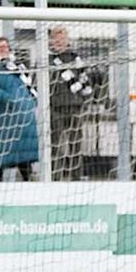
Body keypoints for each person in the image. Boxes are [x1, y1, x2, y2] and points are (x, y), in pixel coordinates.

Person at [0, 37, 38, 181]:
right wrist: (10, 100)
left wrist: (29, 101)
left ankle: (28, 180)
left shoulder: (16, 66)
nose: (3, 50)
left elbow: (28, 86)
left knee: (24, 151)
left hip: (21, 117)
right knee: (0, 150)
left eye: (5, 46)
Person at [48, 26, 95, 181]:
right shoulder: (47, 59)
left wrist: (83, 98)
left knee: (75, 143)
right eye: (56, 39)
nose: (59, 42)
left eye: (62, 38)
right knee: (55, 144)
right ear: (51, 41)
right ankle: (55, 176)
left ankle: (76, 176)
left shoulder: (76, 59)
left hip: (74, 106)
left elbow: (85, 81)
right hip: (55, 107)